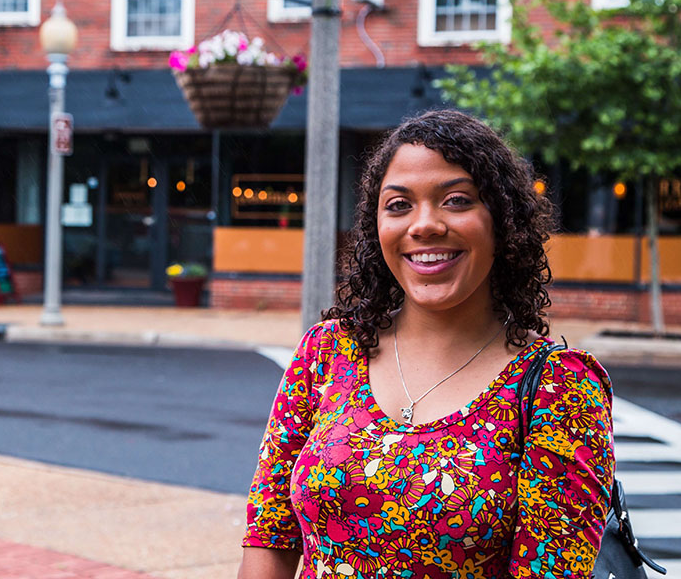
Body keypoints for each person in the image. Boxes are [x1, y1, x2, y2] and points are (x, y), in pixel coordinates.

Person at [238, 109, 614, 579]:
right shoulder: (328, 351)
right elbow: (269, 537)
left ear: (502, 220)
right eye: (398, 205)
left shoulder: (560, 387)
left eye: (456, 200)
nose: (424, 225)